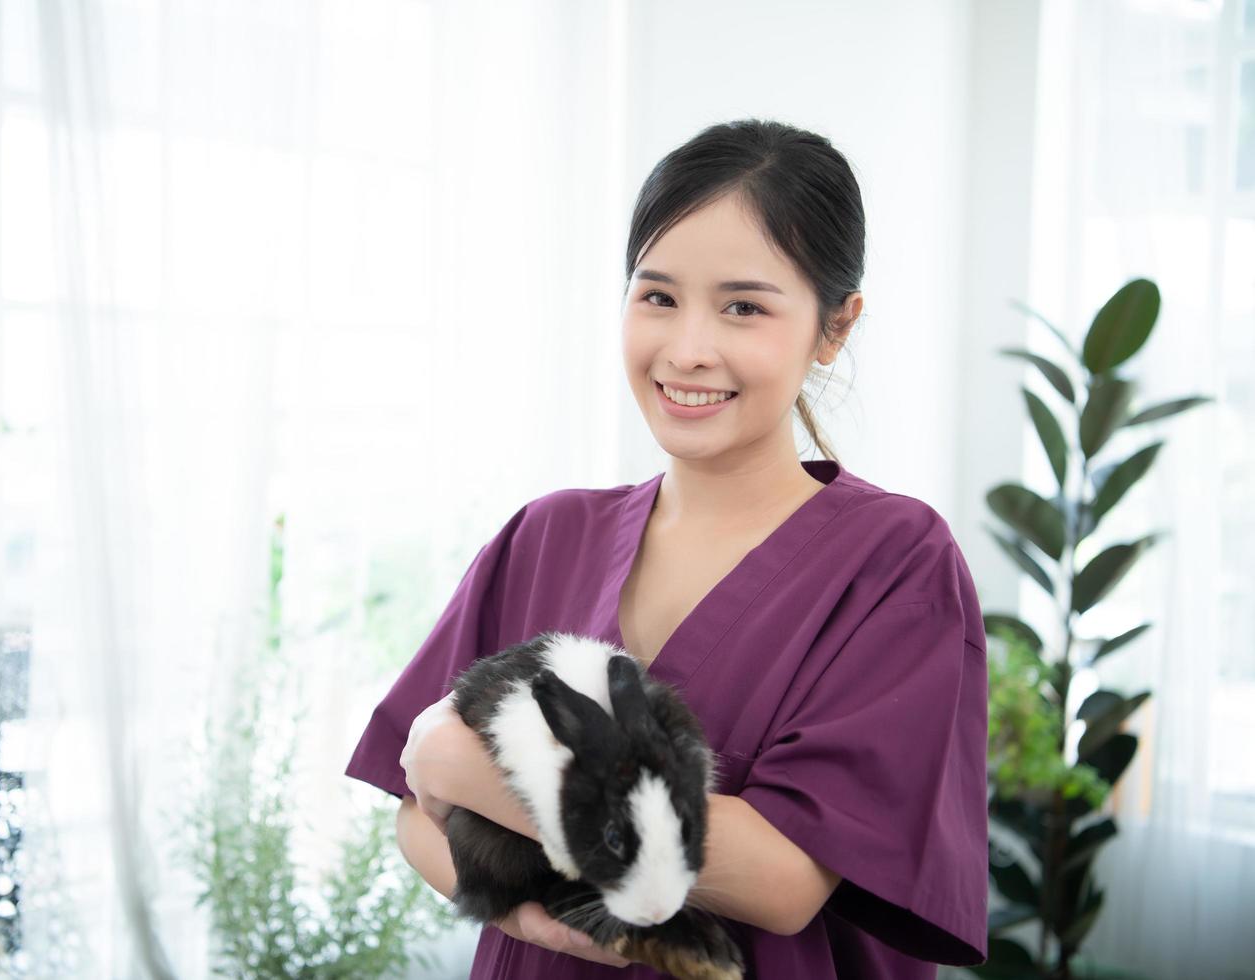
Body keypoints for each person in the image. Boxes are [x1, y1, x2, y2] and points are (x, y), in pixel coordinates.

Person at [343, 118, 989, 978]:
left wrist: (458, 760)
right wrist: (537, 925)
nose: (687, 349)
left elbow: (781, 875)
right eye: (657, 296)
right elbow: (413, 812)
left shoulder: (894, 563)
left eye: (744, 307)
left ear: (833, 329)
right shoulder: (545, 534)